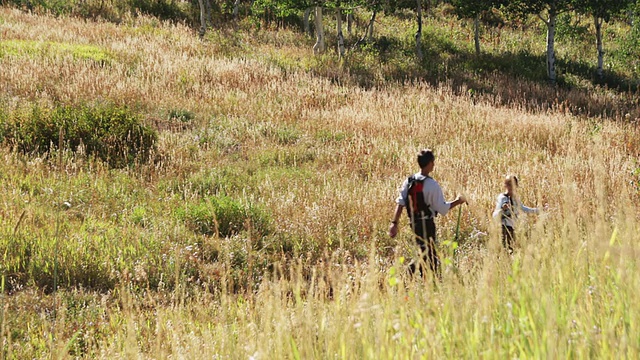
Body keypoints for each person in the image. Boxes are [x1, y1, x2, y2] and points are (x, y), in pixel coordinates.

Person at [389, 149, 466, 279]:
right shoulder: (432, 185)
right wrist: (458, 201)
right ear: (430, 163)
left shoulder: (409, 182)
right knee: (427, 255)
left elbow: (400, 203)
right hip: (427, 224)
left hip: (414, 224)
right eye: (433, 161)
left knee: (426, 253)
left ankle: (426, 280)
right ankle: (412, 275)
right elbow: (443, 209)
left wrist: (394, 223)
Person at [492, 175, 539, 253]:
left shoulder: (515, 199)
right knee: (506, 250)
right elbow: (494, 215)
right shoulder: (502, 198)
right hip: (503, 228)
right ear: (505, 185)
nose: (511, 187)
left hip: (512, 228)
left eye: (513, 185)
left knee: (511, 250)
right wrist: (502, 209)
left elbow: (523, 209)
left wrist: (537, 211)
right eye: (509, 184)